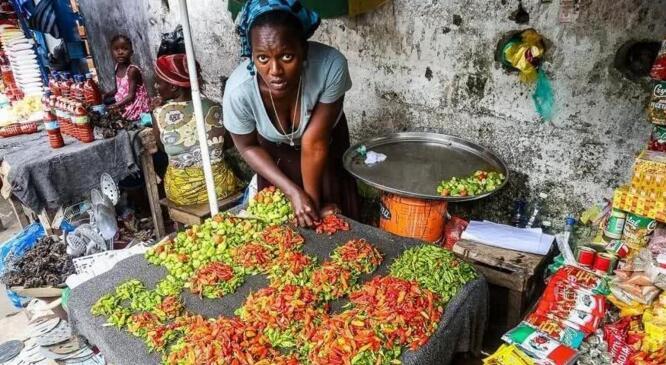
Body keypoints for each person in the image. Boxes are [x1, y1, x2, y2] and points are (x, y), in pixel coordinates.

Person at [223, 0, 360, 227]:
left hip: (324, 153)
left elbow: (314, 143)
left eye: (287, 57)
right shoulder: (239, 92)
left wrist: (311, 209)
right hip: (276, 163)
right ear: (251, 55)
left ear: (303, 50)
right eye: (263, 59)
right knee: (282, 240)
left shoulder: (330, 67)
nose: (275, 71)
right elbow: (247, 146)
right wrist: (292, 192)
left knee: (338, 226)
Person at [152, 54, 240, 206]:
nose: (155, 87)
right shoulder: (215, 107)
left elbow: (163, 147)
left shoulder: (160, 114)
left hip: (184, 193)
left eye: (158, 83)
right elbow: (228, 144)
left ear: (173, 86)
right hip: (221, 186)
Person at [104, 35, 151, 121]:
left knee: (114, 115)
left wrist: (115, 105)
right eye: (116, 49)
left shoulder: (132, 70)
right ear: (111, 52)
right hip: (123, 101)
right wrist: (106, 94)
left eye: (125, 49)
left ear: (131, 52)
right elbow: (117, 89)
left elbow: (131, 96)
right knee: (105, 103)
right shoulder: (117, 67)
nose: (120, 52)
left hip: (135, 104)